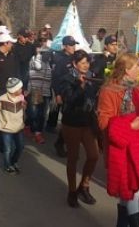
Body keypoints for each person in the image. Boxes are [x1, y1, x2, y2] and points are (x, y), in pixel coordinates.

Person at [97, 53, 139, 227]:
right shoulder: (109, 90)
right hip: (122, 150)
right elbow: (104, 123)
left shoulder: (138, 88)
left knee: (129, 194)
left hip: (138, 146)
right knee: (132, 191)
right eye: (137, 67)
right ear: (127, 70)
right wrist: (129, 126)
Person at [55, 49, 101, 208]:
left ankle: (84, 185)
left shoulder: (91, 78)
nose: (85, 65)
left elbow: (96, 95)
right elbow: (69, 100)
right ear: (74, 64)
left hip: (88, 122)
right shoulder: (67, 79)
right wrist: (80, 86)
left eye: (87, 62)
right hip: (72, 122)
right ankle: (72, 191)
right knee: (73, 158)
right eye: (82, 63)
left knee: (94, 155)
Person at [0, 77, 26, 174]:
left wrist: (24, 106)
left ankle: (14, 161)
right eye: (20, 88)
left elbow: (23, 109)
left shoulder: (21, 97)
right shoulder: (2, 99)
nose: (21, 90)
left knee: (20, 147)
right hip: (7, 129)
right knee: (7, 149)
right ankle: (8, 165)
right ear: (13, 90)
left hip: (19, 127)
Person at [27, 38, 52, 145]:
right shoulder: (34, 59)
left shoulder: (49, 63)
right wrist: (38, 55)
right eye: (45, 53)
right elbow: (37, 67)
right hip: (35, 90)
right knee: (34, 113)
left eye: (48, 53)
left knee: (42, 114)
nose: (47, 55)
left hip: (45, 91)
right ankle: (35, 131)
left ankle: (37, 131)